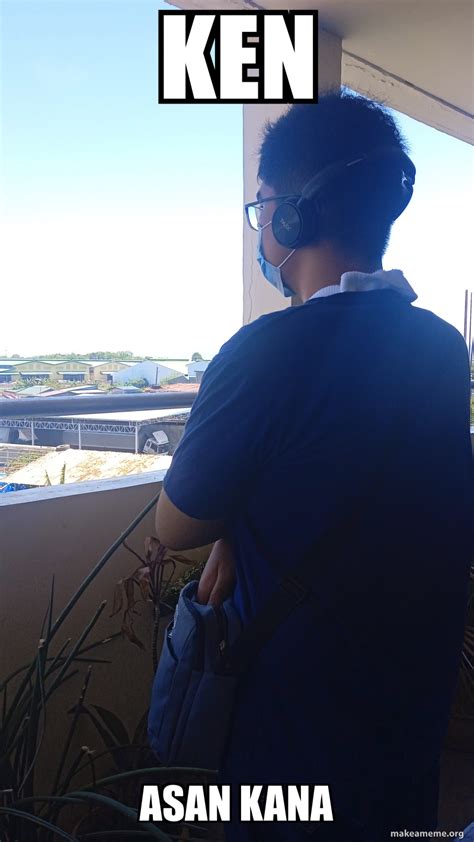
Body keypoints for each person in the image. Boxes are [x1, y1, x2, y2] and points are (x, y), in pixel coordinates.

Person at [155, 91, 474, 841]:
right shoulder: (440, 347)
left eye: (262, 205)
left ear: (290, 216)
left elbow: (176, 523)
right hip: (409, 693)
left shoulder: (263, 353)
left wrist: (229, 526)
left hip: (297, 717)